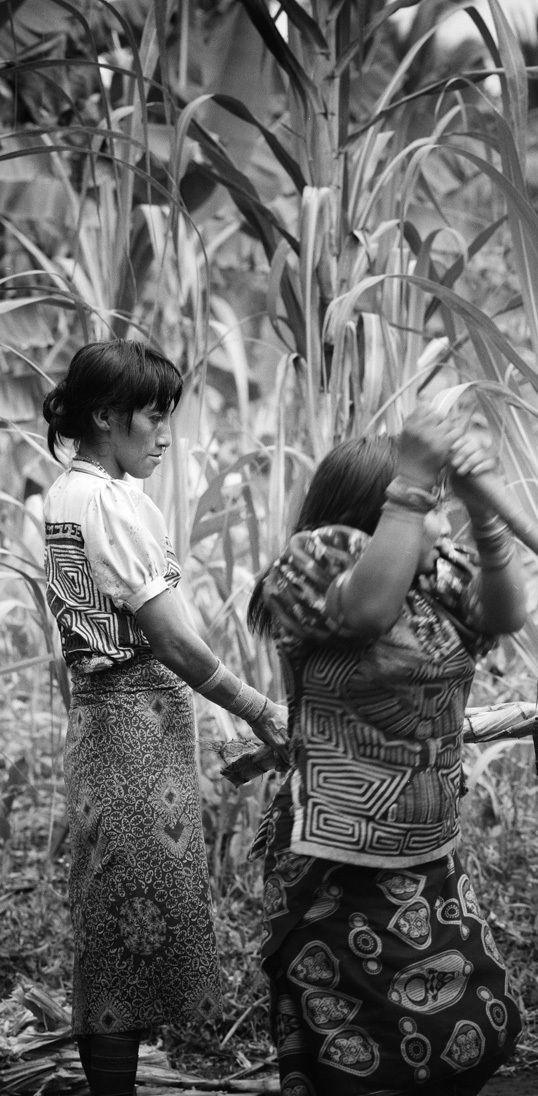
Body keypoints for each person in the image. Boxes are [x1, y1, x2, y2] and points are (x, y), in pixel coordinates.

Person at [247, 405, 527, 1096]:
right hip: (336, 863)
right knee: (358, 1050)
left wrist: (486, 517)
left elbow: (506, 615)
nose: (440, 523)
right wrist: (413, 483)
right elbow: (367, 611)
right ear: (378, 515)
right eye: (427, 506)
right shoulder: (310, 566)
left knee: (470, 1028)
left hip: (426, 849)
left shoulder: (437, 575)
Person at [41, 340, 289, 1096]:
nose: (164, 436)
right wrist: (259, 710)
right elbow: (171, 639)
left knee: (116, 922)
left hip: (114, 730)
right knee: (125, 927)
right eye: (152, 417)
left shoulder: (73, 494)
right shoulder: (107, 503)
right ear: (105, 416)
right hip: (131, 739)